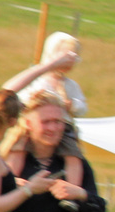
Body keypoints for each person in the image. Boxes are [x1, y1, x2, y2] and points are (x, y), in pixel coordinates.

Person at [5, 32, 88, 193]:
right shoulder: (38, 79)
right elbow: (16, 95)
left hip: (65, 128)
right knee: (18, 147)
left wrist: (72, 107)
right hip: (31, 125)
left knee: (73, 154)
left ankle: (72, 188)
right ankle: (12, 180)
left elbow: (82, 106)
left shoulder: (71, 85)